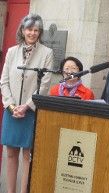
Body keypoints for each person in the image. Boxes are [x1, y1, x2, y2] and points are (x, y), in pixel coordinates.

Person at [0, 13, 53, 193]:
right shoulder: (11, 52)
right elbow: (4, 81)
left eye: (36, 30)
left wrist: (27, 105)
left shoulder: (47, 53)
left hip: (30, 111)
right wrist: (12, 105)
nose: (32, 33)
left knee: (27, 155)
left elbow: (44, 85)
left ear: (40, 33)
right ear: (22, 30)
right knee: (10, 153)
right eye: (29, 29)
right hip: (11, 110)